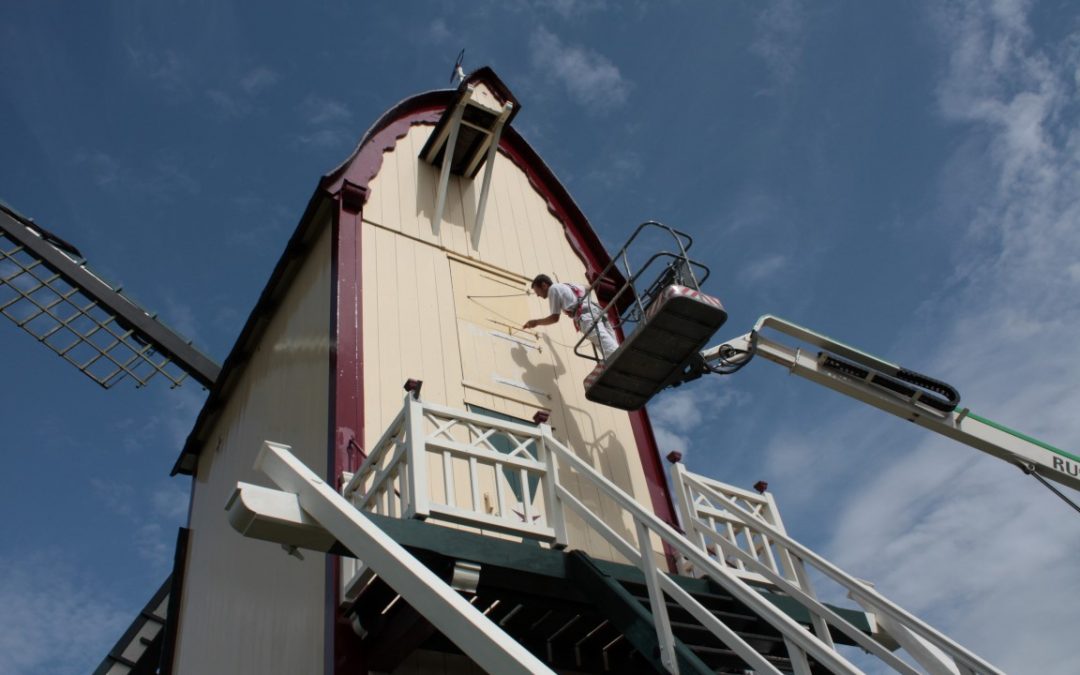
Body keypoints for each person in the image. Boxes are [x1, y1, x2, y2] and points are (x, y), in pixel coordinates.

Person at [523, 274, 619, 359]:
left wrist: (536, 322)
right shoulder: (568, 285)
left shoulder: (552, 289)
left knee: (608, 347)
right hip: (597, 312)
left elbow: (555, 318)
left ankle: (619, 362)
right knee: (613, 344)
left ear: (544, 285)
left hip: (586, 318)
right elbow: (588, 287)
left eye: (537, 291)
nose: (538, 295)